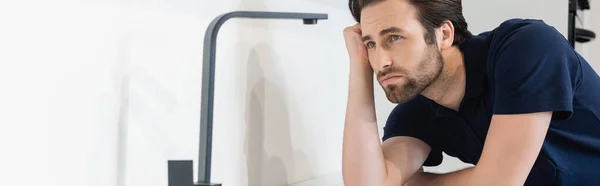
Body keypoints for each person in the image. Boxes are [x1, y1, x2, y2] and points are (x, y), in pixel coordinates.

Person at [341, 0, 600, 185]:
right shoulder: (415, 113)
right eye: (371, 44)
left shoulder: (527, 47)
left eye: (394, 38)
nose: (381, 61)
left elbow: (499, 183)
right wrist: (358, 65)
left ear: (443, 34)